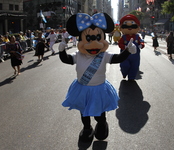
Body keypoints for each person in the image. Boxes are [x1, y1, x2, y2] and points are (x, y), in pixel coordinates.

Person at [58, 13, 136, 142]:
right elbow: (67, 60)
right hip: (82, 88)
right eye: (88, 38)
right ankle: (87, 128)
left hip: (98, 89)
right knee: (84, 113)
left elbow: (117, 59)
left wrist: (127, 51)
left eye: (98, 38)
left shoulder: (104, 55)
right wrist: (61, 52)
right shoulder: (79, 55)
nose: (94, 43)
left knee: (99, 113)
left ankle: (101, 124)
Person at [118, 14, 145, 81]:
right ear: (121, 28)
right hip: (124, 55)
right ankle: (124, 73)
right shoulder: (123, 37)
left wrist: (141, 45)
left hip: (135, 56)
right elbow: (120, 43)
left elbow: (141, 42)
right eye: (125, 24)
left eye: (133, 23)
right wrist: (124, 46)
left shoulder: (137, 37)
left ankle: (131, 78)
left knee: (135, 66)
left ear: (138, 28)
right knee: (124, 65)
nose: (129, 25)